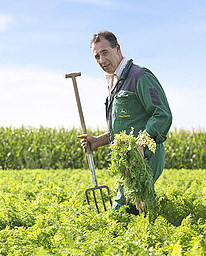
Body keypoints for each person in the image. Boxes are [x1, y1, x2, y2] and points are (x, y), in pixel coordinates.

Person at [78, 30, 172, 214]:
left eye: (105, 52)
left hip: (144, 155)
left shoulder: (139, 76)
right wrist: (99, 140)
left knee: (122, 212)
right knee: (136, 209)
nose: (101, 60)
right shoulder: (115, 82)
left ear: (117, 48)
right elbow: (127, 127)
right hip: (127, 158)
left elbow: (162, 114)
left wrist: (142, 141)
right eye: (96, 56)